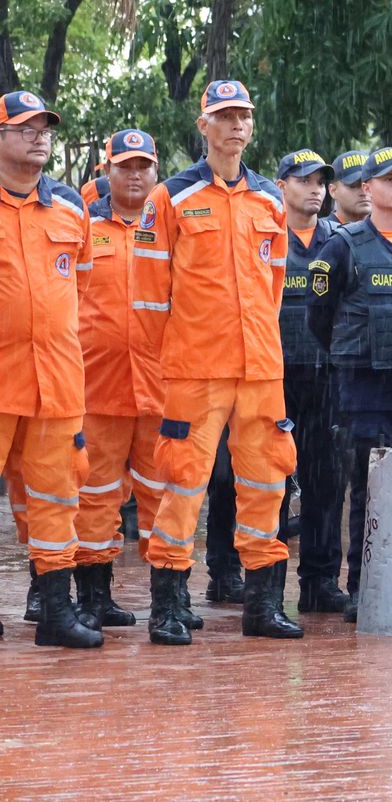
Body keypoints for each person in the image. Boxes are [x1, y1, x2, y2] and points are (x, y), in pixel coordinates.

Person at [132, 79, 302, 644]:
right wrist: (175, 355)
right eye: (224, 116)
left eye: (243, 116)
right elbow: (149, 296)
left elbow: (273, 286)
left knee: (267, 481)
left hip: (261, 369)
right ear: (203, 125)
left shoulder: (270, 199)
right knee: (183, 482)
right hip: (195, 369)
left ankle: (263, 605)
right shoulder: (171, 198)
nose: (236, 125)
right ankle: (168, 606)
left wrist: (258, 344)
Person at [308, 147, 392, 623]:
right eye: (389, 179)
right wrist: (352, 352)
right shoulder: (344, 245)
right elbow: (320, 316)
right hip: (364, 382)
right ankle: (365, 588)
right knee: (370, 486)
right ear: (367, 188)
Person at [0, 91, 102, 647]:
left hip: (57, 379)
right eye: (24, 128)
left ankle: (56, 615)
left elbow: (78, 286)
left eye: (44, 128)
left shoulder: (69, 207)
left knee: (58, 496)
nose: (38, 136)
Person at [74, 129, 166, 630]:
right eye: (124, 166)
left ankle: (169, 601)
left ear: (156, 171)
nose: (134, 175)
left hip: (160, 387)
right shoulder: (82, 225)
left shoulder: (170, 225)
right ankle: (94, 599)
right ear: (106, 170)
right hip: (98, 386)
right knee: (95, 495)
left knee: (164, 494)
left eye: (143, 166)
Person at [271, 148, 347, 614]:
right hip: (273, 376)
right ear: (281, 186)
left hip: (324, 374)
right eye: (304, 180)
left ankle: (320, 581)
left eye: (320, 181)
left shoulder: (337, 240)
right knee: (270, 483)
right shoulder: (265, 235)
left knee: (326, 481)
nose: (315, 189)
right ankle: (266, 582)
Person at [329, 149, 372, 225]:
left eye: (368, 185)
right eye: (354, 186)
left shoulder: (386, 228)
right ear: (333, 191)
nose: (364, 192)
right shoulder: (320, 231)